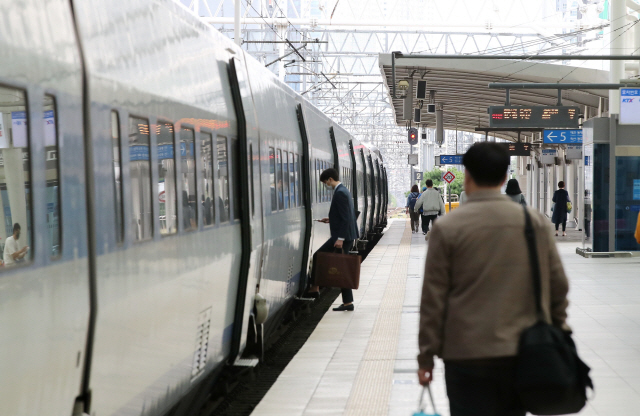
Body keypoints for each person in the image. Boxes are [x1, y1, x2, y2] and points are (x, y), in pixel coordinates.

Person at [417, 143, 570, 416]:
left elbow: (433, 298)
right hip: (521, 352)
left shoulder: (447, 227)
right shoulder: (533, 222)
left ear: (467, 175)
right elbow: (557, 288)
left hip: (464, 355)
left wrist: (426, 356)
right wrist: (559, 333)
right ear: (503, 178)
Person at [309, 168, 359, 311]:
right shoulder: (343, 190)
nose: (326, 185)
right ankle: (347, 302)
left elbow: (345, 219)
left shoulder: (340, 193)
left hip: (343, 237)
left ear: (330, 179)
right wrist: (331, 220)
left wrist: (340, 239)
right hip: (345, 235)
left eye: (325, 182)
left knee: (321, 257)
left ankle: (315, 286)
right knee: (341, 267)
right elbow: (344, 216)